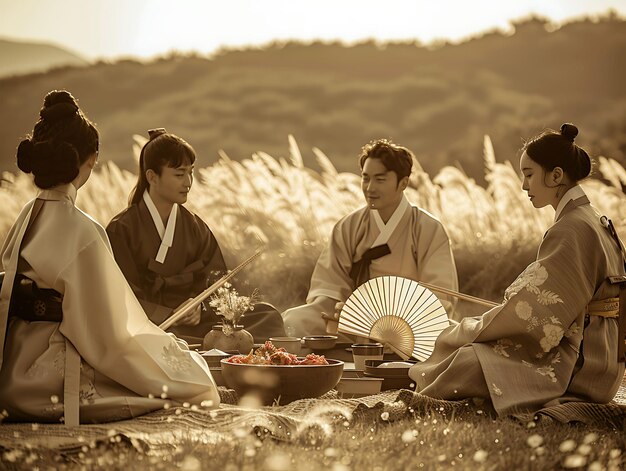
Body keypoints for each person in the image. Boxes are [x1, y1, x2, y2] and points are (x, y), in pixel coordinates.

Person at [0, 91, 219, 425]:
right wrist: (163, 346)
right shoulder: (82, 230)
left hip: (14, 366)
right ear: (88, 161)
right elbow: (106, 336)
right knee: (197, 383)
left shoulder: (28, 215)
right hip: (48, 380)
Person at [409, 123, 626, 416]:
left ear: (557, 175)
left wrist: (474, 328)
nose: (524, 185)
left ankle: (423, 401)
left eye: (528, 174)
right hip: (604, 359)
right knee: (473, 354)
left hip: (581, 366)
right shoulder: (594, 219)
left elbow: (532, 311)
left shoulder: (572, 228)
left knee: (468, 359)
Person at [106, 129, 285, 344]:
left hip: (198, 323)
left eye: (191, 172)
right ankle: (212, 346)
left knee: (267, 315)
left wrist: (199, 307)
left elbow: (217, 282)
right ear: (152, 176)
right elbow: (120, 293)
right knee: (153, 338)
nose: (188, 182)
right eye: (180, 174)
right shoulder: (122, 229)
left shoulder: (195, 227)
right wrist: (167, 315)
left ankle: (209, 344)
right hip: (151, 323)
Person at [283, 139, 459, 337]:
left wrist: (386, 317)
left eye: (380, 180)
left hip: (409, 325)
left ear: (403, 183)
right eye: (366, 178)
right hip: (352, 322)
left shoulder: (428, 228)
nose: (370, 188)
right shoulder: (348, 226)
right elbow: (328, 286)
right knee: (295, 321)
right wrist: (345, 310)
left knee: (449, 332)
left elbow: (439, 296)